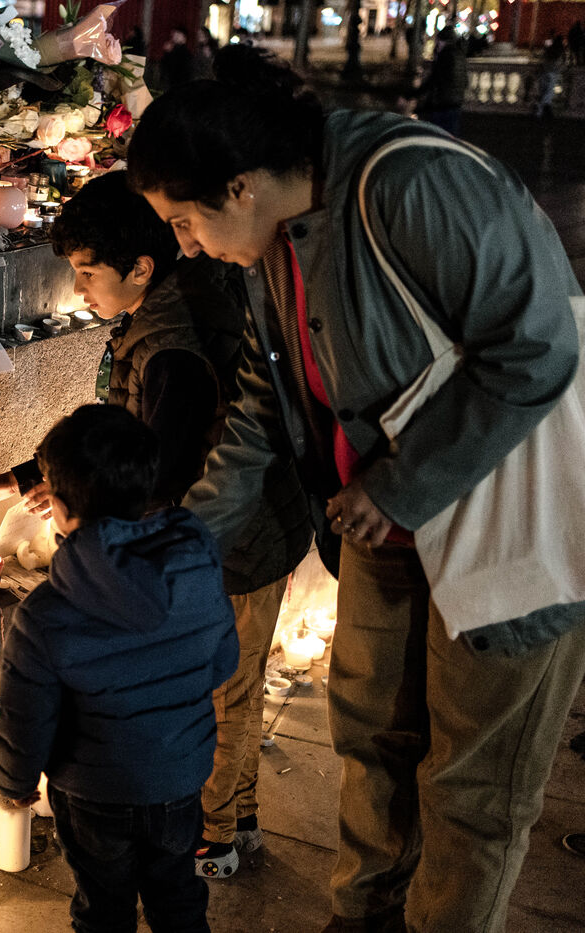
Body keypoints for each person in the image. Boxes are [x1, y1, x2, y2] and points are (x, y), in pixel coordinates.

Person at [128, 44, 585, 933]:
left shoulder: (409, 183)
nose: (184, 246)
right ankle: (362, 917)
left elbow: (537, 346)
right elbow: (265, 400)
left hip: (504, 523)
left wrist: (401, 487)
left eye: (183, 222)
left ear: (240, 187)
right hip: (384, 527)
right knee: (371, 740)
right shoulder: (271, 245)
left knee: (472, 784)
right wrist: (184, 539)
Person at [0, 171, 310, 879]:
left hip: (233, 538)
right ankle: (238, 817)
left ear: (140, 267)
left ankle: (211, 837)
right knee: (237, 685)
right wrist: (30, 478)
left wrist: (79, 509)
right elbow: (123, 433)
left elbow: (152, 466)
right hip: (234, 531)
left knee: (224, 693)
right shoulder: (159, 312)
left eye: (88, 272)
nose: (79, 288)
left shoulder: (173, 346)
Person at [0, 403, 238, 933]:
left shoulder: (49, 611)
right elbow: (222, 661)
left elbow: (23, 715)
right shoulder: (195, 565)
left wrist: (14, 781)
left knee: (103, 908)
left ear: (57, 505)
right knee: (179, 900)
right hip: (180, 779)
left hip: (94, 793)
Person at [413, 29, 467, 135]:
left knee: (436, 135)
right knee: (450, 136)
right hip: (456, 103)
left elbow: (434, 80)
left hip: (442, 104)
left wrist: (413, 94)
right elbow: (465, 81)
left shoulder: (445, 55)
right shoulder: (460, 55)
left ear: (442, 41)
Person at [538, 32, 566, 118]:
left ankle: (541, 111)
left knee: (544, 92)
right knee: (549, 92)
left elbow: (542, 59)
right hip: (553, 73)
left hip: (544, 72)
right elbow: (562, 63)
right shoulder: (560, 50)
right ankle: (542, 111)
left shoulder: (549, 49)